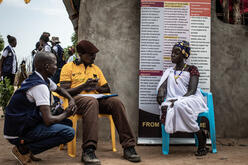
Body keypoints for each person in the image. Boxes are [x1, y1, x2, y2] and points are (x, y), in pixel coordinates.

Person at [60, 40, 141, 165]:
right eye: (91, 54)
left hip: (96, 100)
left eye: (95, 54)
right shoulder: (68, 67)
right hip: (76, 100)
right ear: (80, 54)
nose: (94, 57)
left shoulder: (95, 69)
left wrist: (95, 88)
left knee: (116, 103)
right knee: (91, 102)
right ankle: (88, 150)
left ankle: (129, 147)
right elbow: (64, 91)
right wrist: (83, 86)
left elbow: (106, 88)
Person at [4, 51, 77, 165]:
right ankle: (24, 149)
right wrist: (66, 113)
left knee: (66, 123)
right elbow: (48, 121)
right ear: (46, 66)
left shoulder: (40, 78)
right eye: (55, 64)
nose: (56, 67)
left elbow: (59, 90)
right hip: (18, 130)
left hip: (20, 124)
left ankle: (26, 149)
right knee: (69, 132)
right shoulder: (40, 86)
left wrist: (71, 99)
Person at [156, 41, 209, 156]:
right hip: (174, 100)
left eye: (177, 53)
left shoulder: (192, 69)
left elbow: (192, 90)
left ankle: (200, 136)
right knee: (170, 106)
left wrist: (179, 99)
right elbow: (163, 87)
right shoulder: (169, 72)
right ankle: (200, 133)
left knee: (178, 105)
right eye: (172, 52)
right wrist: (160, 93)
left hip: (191, 99)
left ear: (184, 55)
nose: (173, 55)